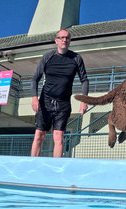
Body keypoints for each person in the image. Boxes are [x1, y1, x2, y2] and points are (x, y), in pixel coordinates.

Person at [31, 29, 89, 157]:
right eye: (62, 37)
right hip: (45, 101)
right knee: (39, 135)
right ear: (56, 40)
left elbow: (84, 80)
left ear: (70, 41)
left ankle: (56, 169)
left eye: (67, 38)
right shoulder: (47, 57)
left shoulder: (76, 58)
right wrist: (34, 98)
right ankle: (32, 165)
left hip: (63, 103)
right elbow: (35, 78)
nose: (64, 40)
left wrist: (84, 101)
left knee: (58, 136)